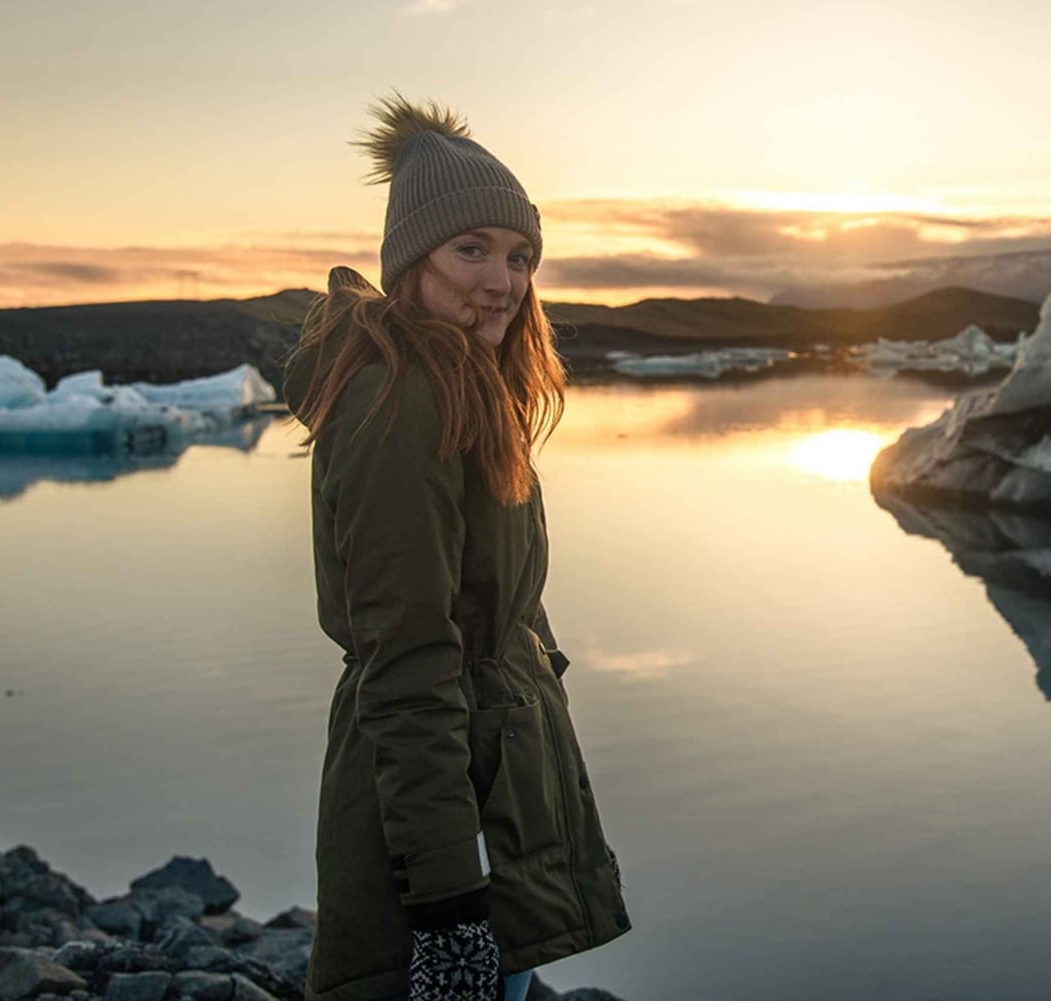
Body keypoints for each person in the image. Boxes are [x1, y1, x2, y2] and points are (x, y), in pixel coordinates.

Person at [282, 95, 630, 1001]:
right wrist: (448, 906)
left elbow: (493, 604)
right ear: (412, 263)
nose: (502, 281)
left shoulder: (472, 391)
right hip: (442, 818)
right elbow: (407, 660)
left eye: (519, 257)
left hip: (494, 795)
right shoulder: (403, 408)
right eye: (470, 249)